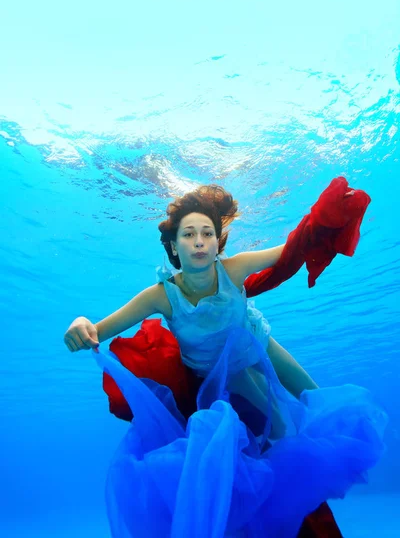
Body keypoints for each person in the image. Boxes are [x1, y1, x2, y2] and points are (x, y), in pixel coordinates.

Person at [64, 184, 387, 538]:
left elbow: (291, 251)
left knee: (315, 396)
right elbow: (98, 330)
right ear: (174, 246)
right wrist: (80, 323)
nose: (199, 241)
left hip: (258, 345)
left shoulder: (233, 269)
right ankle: (280, 507)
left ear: (218, 243)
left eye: (208, 233)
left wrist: (324, 222)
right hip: (219, 373)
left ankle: (331, 469)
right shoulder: (161, 296)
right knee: (281, 433)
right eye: (189, 234)